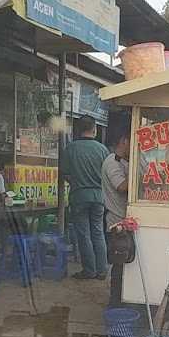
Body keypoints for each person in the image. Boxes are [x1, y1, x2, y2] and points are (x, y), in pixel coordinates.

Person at [62, 115, 109, 280]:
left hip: (79, 196)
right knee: (98, 232)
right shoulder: (102, 149)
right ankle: (102, 270)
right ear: (94, 129)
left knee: (84, 235)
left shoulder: (71, 148)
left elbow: (65, 173)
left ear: (78, 129)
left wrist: (77, 181)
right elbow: (108, 174)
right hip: (99, 197)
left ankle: (89, 270)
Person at [102, 124, 131, 305]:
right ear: (123, 141)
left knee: (127, 263)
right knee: (118, 264)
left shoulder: (126, 161)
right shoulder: (112, 162)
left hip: (126, 219)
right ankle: (114, 303)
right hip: (116, 221)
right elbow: (122, 187)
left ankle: (121, 299)